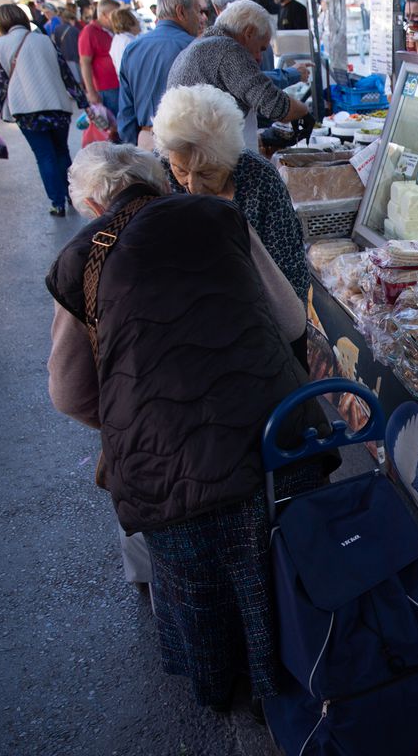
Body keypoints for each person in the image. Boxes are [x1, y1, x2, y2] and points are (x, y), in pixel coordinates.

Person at [45, 141, 325, 714]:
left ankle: (222, 685)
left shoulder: (83, 258)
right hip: (275, 433)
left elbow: (69, 392)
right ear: (157, 181)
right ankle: (307, 668)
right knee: (282, 561)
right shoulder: (217, 215)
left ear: (96, 204)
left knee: (201, 585)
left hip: (165, 467)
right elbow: (292, 317)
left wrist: (135, 418)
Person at [153, 84, 310, 305]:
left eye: (206, 173)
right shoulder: (158, 173)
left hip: (252, 311)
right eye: (181, 171)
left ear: (231, 161)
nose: (193, 186)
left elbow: (290, 272)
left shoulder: (260, 180)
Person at [0, 3, 97, 216]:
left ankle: (57, 203)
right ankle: (73, 196)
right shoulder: (45, 40)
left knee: (44, 156)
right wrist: (85, 104)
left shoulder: (1, 44)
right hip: (58, 107)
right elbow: (66, 75)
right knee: (62, 152)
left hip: (27, 112)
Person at [167, 0, 310, 152]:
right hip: (203, 156)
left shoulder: (203, 45)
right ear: (248, 33)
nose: (259, 58)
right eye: (261, 48)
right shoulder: (228, 50)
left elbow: (255, 83)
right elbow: (276, 106)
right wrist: (305, 112)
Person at [117, 0, 203, 148]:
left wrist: (135, 146)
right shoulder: (195, 47)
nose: (200, 18)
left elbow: (126, 113)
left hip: (146, 140)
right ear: (181, 11)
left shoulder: (132, 48)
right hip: (186, 144)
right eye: (197, 11)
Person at [207, 0, 309, 90]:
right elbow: (253, 83)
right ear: (248, 33)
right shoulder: (223, 52)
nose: (260, 57)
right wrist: (292, 74)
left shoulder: (216, 45)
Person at [79, 0, 122, 130]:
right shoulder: (89, 32)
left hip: (119, 85)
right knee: (114, 127)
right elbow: (84, 62)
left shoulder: (112, 30)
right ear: (104, 14)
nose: (118, 18)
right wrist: (91, 92)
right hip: (106, 88)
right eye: (115, 14)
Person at [51, 9, 82, 82]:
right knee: (79, 79)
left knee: (74, 79)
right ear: (70, 19)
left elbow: (57, 43)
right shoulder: (74, 29)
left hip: (65, 57)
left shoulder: (57, 29)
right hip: (76, 57)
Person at [109, 6, 140, 72]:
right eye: (136, 19)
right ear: (129, 23)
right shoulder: (130, 42)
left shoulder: (117, 39)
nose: (139, 22)